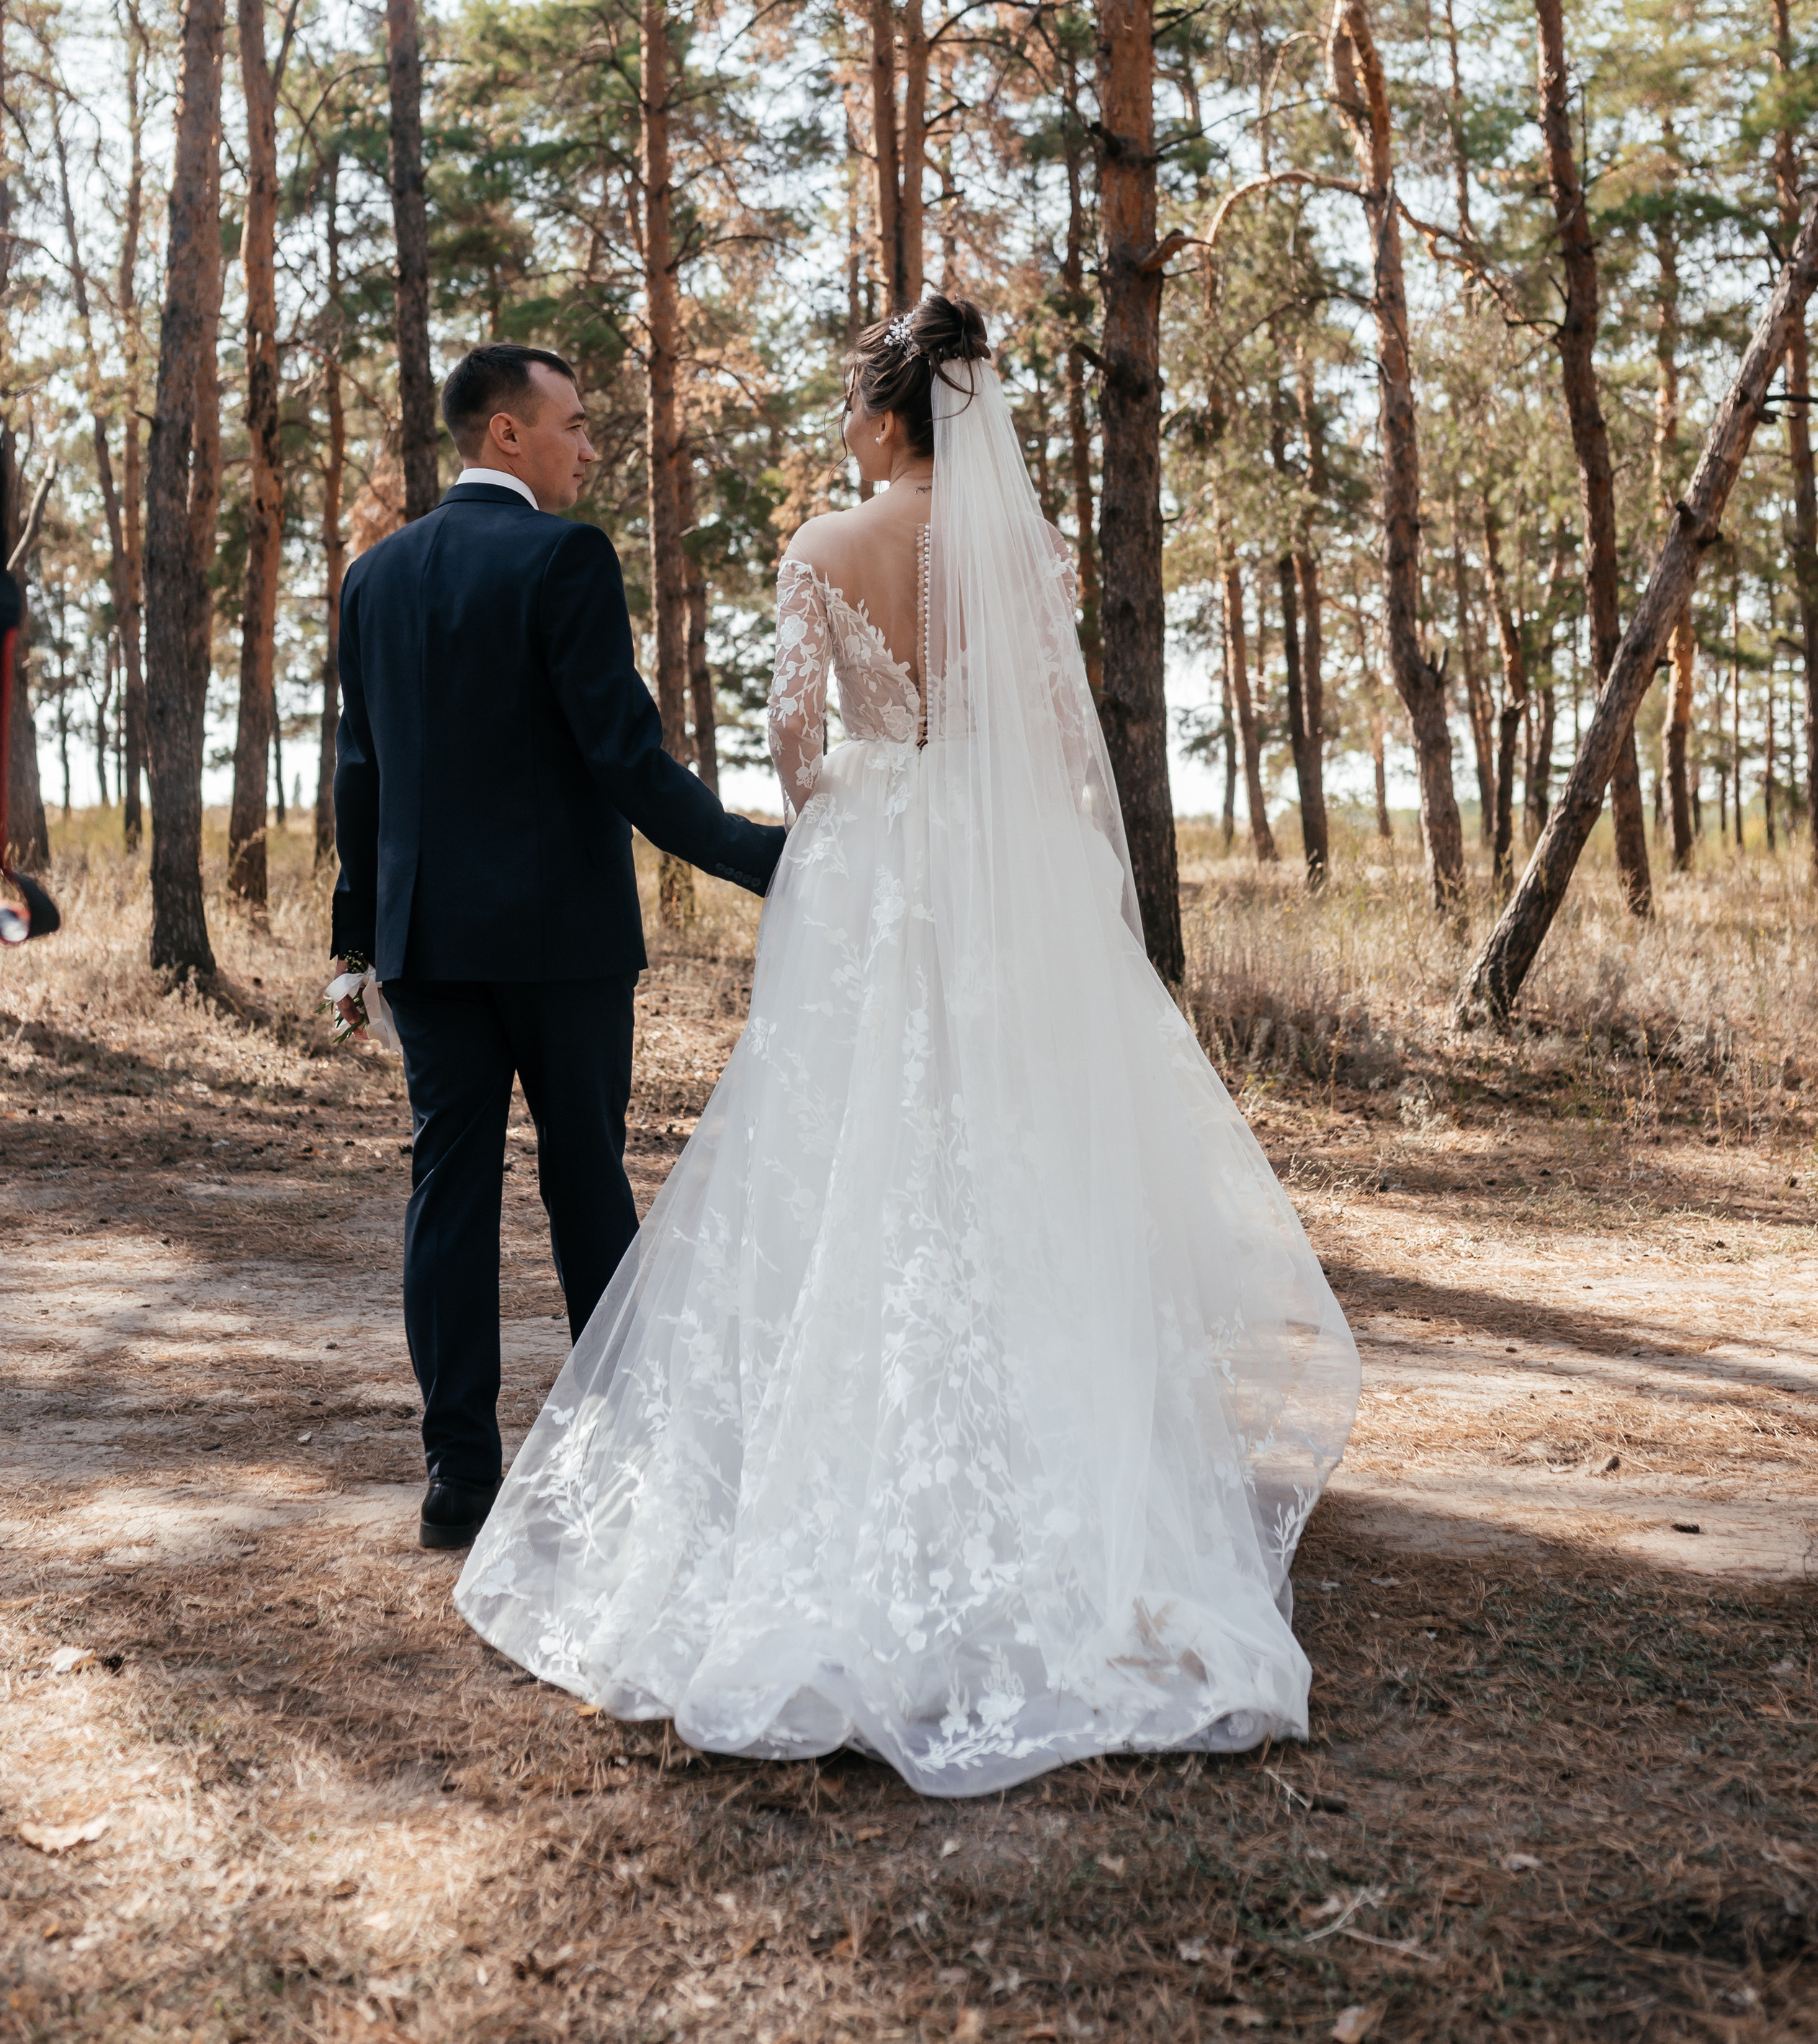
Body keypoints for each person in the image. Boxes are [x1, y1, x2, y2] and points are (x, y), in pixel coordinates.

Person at [455, 300, 1360, 1795]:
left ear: (885, 418)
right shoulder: (1030, 552)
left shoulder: (822, 550)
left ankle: (833, 1471)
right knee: (1013, 1147)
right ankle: (1075, 1494)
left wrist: (869, 805)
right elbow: (1069, 754)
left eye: (849, 406)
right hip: (1008, 886)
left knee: (850, 1154)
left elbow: (800, 756)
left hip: (875, 874)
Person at [330, 344, 784, 1552]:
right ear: (505, 435)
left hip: (423, 945)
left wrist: (348, 943)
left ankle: (458, 1479)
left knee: (449, 1192)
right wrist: (772, 861)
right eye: (575, 424)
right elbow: (625, 759)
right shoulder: (566, 558)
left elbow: (360, 779)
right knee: (584, 1178)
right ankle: (624, 1450)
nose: (591, 446)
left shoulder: (371, 580)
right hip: (561, 942)